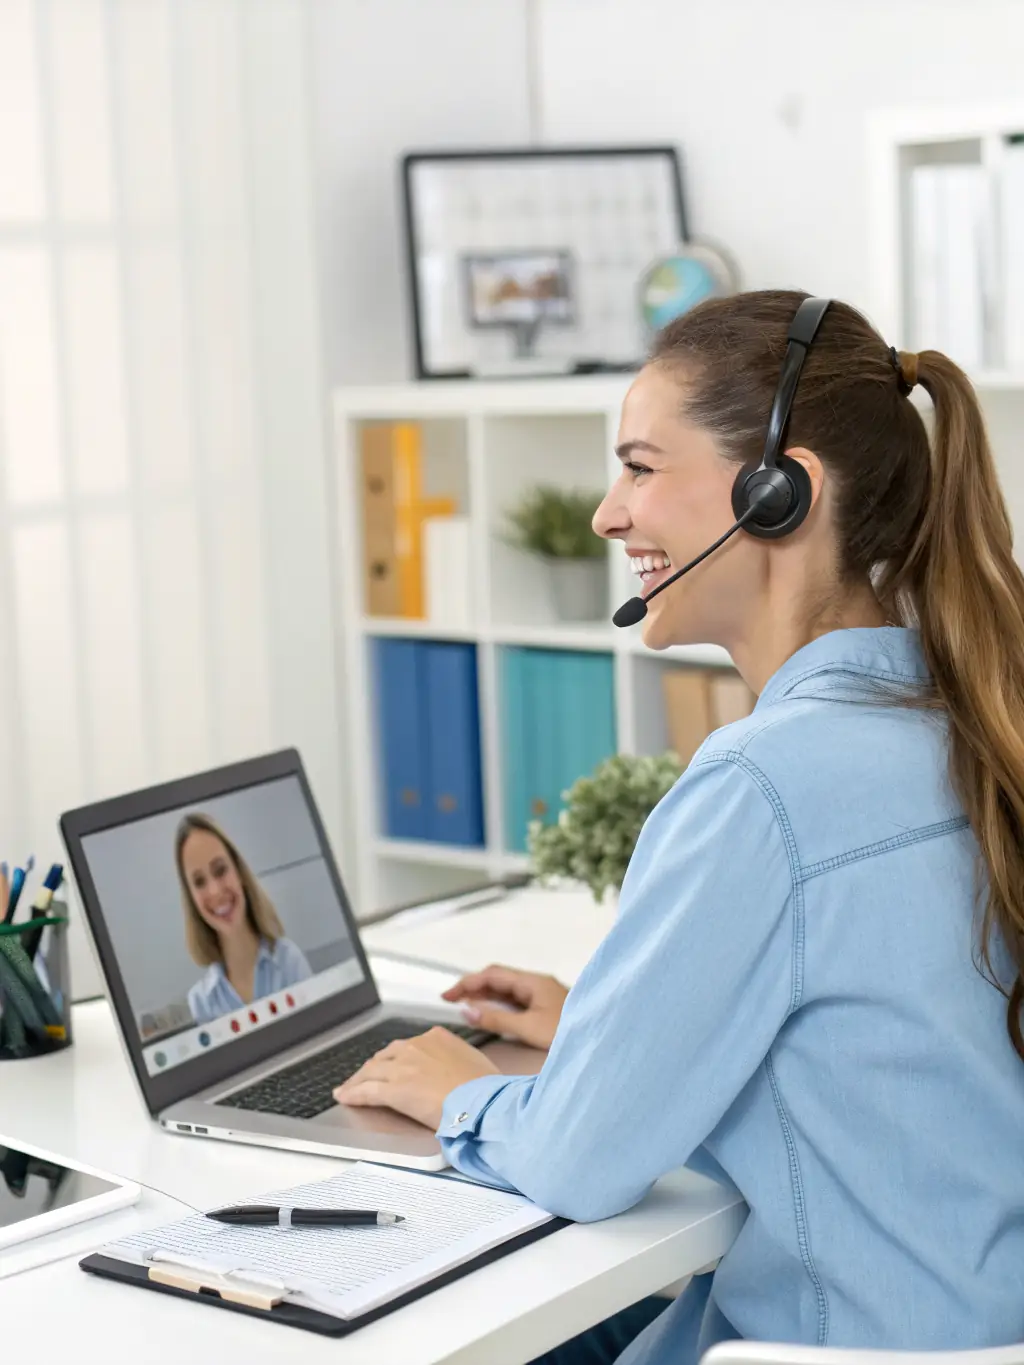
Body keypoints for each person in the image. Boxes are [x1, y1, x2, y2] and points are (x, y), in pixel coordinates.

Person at [332, 290, 1024, 1363]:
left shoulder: (763, 782)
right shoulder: (966, 717)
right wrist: (601, 1033)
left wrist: (465, 1093)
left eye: (640, 468)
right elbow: (894, 1063)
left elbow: (578, 1160)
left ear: (778, 491)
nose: (608, 513)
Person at [176, 812, 311, 1025]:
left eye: (220, 870)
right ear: (191, 899)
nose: (215, 891)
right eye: (199, 882)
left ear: (239, 871)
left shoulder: (289, 962)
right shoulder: (201, 1002)